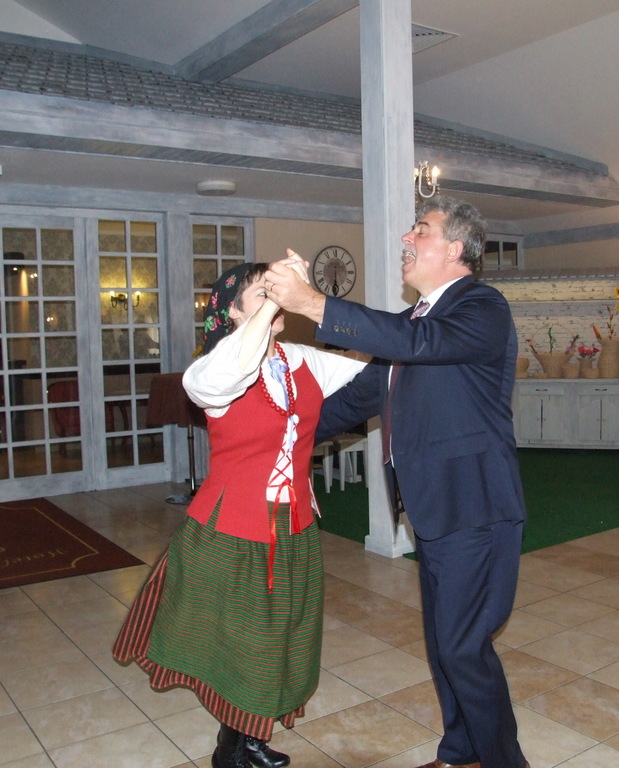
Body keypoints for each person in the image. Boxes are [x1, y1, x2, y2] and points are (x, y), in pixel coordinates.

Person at [265, 197, 530, 768]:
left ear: (455, 249)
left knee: (462, 648)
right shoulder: (415, 325)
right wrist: (276, 439)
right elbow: (354, 401)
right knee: (445, 645)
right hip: (434, 509)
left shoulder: (482, 307)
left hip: (475, 507)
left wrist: (313, 302)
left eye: (421, 230)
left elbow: (418, 344)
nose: (407, 238)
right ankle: (462, 753)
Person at [113, 262, 365, 768]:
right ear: (231, 312)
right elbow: (230, 372)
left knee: (282, 636)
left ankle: (243, 742)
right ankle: (235, 748)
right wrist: (276, 301)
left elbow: (371, 374)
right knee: (245, 642)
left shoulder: (301, 360)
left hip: (294, 525)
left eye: (275, 290)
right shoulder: (213, 367)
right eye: (260, 292)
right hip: (233, 530)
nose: (274, 298)